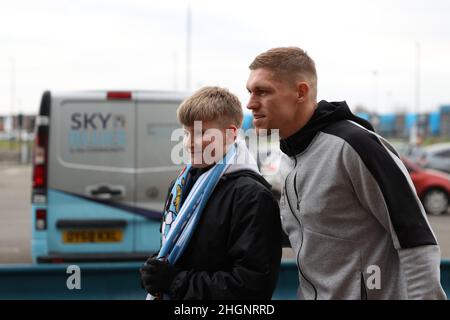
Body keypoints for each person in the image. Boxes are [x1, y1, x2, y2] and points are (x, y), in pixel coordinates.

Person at [246, 47, 447, 300]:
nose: (251, 103)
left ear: (300, 92)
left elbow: (416, 238)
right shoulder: (288, 156)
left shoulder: (355, 145)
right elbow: (308, 230)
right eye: (250, 92)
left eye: (262, 91)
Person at [140, 86, 282, 300]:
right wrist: (156, 270)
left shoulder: (251, 196)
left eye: (202, 133)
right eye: (186, 133)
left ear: (231, 134)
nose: (190, 143)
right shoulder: (180, 185)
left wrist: (175, 281)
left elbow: (252, 288)